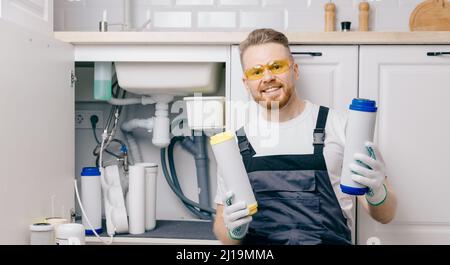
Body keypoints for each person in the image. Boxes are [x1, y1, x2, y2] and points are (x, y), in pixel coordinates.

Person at [212, 28, 397, 245]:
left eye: (277, 66)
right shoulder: (232, 145)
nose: (268, 77)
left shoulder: (342, 125)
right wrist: (233, 230)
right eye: (256, 72)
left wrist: (377, 191)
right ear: (246, 83)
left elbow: (385, 215)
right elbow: (222, 229)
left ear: (295, 70)